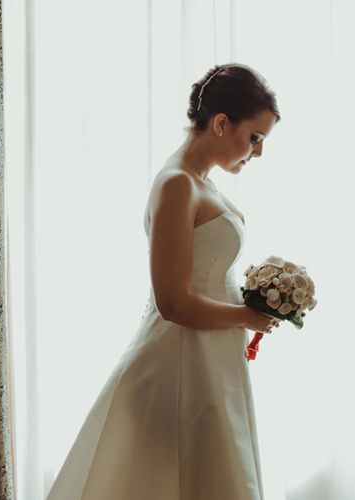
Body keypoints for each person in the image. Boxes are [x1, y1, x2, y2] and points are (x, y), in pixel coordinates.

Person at [46, 63, 281, 500]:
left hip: (209, 355)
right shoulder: (177, 184)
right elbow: (172, 301)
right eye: (255, 138)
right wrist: (246, 315)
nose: (258, 152)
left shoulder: (199, 181)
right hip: (179, 357)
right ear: (221, 123)